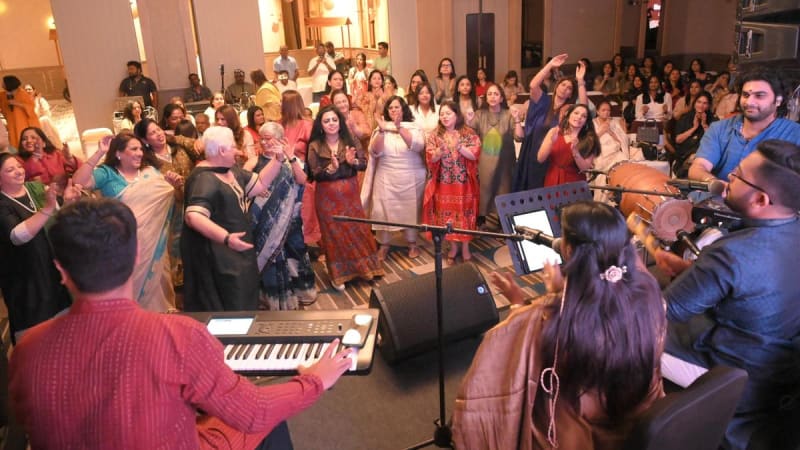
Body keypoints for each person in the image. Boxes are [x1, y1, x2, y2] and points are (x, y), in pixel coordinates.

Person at [8, 196, 354, 449]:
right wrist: (313, 381)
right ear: (138, 255)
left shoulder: (25, 349)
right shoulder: (178, 335)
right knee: (264, 422)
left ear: (60, 269)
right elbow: (254, 413)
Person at [453, 201, 665, 450]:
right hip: (636, 420)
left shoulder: (551, 317)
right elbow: (605, 309)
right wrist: (561, 292)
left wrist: (520, 304)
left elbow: (512, 355)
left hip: (579, 432)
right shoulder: (651, 295)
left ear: (567, 251)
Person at [656, 140, 800, 450]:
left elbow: (660, 312)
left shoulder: (733, 253)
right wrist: (690, 271)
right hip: (778, 369)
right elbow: (754, 291)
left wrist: (629, 277)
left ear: (761, 199)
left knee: (621, 337)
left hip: (731, 374)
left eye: (738, 175)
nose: (728, 177)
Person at [72, 132, 182, 312]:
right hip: (122, 248)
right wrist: (99, 152)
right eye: (134, 149)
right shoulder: (107, 173)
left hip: (154, 249)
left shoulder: (151, 173)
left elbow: (173, 200)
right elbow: (79, 181)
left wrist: (175, 186)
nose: (140, 153)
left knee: (159, 300)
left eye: (140, 148)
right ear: (118, 153)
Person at [181, 126, 282, 312]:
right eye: (233, 147)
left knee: (244, 298)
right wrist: (226, 237)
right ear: (221, 150)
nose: (238, 151)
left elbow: (259, 184)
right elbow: (193, 216)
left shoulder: (229, 170)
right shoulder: (205, 179)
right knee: (231, 305)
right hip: (221, 259)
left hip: (238, 252)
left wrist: (278, 160)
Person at [307, 105, 384, 291]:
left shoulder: (350, 140)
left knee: (355, 229)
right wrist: (330, 169)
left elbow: (363, 164)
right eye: (326, 121)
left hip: (350, 195)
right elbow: (313, 173)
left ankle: (365, 269)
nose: (331, 124)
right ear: (321, 124)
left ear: (340, 121)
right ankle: (338, 276)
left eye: (334, 119)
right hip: (327, 198)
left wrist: (352, 162)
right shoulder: (315, 146)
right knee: (334, 234)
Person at [0, 153, 75, 343]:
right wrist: (47, 208)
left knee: (66, 333)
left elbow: (57, 218)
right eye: (10, 170)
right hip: (25, 281)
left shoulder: (34, 188)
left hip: (51, 271)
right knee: (37, 340)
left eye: (18, 166)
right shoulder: (3, 203)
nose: (18, 171)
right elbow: (17, 236)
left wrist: (67, 202)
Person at [248, 122, 316, 310]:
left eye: (268, 138)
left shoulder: (291, 160)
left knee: (295, 254)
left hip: (291, 221)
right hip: (265, 224)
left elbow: (302, 180)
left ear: (280, 138)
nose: (264, 142)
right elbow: (244, 187)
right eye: (261, 138)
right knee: (272, 259)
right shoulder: (253, 162)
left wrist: (291, 156)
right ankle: (274, 299)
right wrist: (255, 189)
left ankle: (302, 293)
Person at [688, 68, 800, 182]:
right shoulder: (719, 128)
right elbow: (698, 167)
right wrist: (714, 183)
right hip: (714, 197)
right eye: (746, 95)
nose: (749, 102)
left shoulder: (795, 135)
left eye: (759, 95)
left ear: (778, 100)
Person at [134, 118, 199, 290]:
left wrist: (175, 138)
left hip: (195, 203)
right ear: (144, 140)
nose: (158, 134)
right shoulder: (147, 163)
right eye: (152, 133)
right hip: (169, 213)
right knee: (176, 253)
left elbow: (201, 147)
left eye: (158, 129)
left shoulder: (181, 148)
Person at [361, 96, 426, 260]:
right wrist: (383, 131)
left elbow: (417, 146)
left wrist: (399, 128)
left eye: (397, 107)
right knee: (383, 210)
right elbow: (374, 152)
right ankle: (384, 245)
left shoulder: (413, 127)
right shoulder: (381, 128)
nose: (394, 110)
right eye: (391, 108)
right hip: (386, 177)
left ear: (403, 109)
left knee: (411, 211)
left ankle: (412, 243)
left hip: (411, 176)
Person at [513, 54, 588, 192]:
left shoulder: (568, 110)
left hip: (553, 157)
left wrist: (580, 81)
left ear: (571, 94)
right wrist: (550, 65)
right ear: (556, 86)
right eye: (563, 84)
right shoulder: (543, 101)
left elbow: (584, 107)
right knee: (528, 192)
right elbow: (533, 85)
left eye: (569, 87)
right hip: (532, 150)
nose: (565, 88)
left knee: (545, 193)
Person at [422, 100, 480, 264]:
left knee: (465, 215)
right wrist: (439, 152)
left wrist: (460, 147)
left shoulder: (468, 133)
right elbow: (430, 158)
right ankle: (454, 248)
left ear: (456, 115)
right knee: (447, 218)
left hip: (464, 185)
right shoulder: (435, 135)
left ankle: (466, 248)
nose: (445, 117)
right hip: (444, 185)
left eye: (448, 113)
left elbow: (474, 154)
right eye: (442, 114)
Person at [469, 84, 523, 227]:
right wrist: (468, 120)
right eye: (489, 94)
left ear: (501, 98)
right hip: (484, 162)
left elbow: (519, 137)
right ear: (486, 98)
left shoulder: (509, 114)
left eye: (496, 94)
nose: (492, 97)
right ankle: (481, 221)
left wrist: (517, 119)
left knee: (503, 190)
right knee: (484, 191)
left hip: (505, 162)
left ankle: (502, 222)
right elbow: (469, 135)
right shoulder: (479, 114)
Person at [538, 103, 599, 187]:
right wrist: (551, 142)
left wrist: (575, 151)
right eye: (576, 113)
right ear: (568, 115)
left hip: (574, 184)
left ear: (586, 122)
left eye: (584, 116)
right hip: (552, 180)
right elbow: (540, 159)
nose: (579, 117)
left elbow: (584, 169)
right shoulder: (554, 131)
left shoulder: (590, 140)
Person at [670, 91, 716, 177]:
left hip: (704, 158)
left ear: (709, 105)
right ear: (694, 103)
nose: (701, 106)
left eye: (705, 103)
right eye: (699, 102)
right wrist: (694, 128)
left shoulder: (714, 120)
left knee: (696, 159)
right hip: (684, 155)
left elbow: (714, 142)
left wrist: (704, 125)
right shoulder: (685, 118)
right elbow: (678, 140)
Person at [0, 76, 40, 149]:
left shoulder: (22, 94)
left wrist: (17, 103)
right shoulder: (2, 95)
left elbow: (31, 107)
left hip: (24, 123)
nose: (1, 84)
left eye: (3, 82)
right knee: (14, 140)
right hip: (12, 123)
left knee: (24, 139)